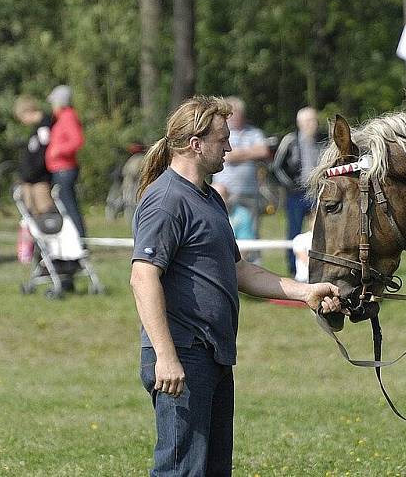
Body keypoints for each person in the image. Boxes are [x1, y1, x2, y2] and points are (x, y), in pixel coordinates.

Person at [130, 96, 340, 476]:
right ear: (196, 144)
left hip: (212, 353)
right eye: (222, 139)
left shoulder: (208, 198)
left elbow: (238, 270)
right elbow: (143, 276)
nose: (230, 146)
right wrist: (166, 356)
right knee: (181, 471)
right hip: (182, 354)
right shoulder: (167, 199)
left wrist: (306, 291)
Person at [209, 96, 269, 260]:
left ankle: (253, 266)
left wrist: (236, 154)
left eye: (237, 114)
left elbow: (263, 151)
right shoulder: (220, 133)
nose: (234, 117)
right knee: (223, 228)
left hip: (249, 192)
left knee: (251, 231)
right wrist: (248, 153)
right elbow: (227, 156)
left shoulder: (254, 132)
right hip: (223, 192)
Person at [271, 106, 325, 275]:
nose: (312, 124)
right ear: (299, 123)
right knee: (294, 231)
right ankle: (293, 269)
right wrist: (291, 186)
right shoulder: (290, 140)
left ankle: (323, 267)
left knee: (323, 230)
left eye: (314, 120)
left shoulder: (325, 139)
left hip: (319, 192)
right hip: (296, 194)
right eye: (308, 121)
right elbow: (277, 167)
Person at [45, 85, 86, 237]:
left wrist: (58, 150)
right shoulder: (61, 118)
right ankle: (73, 238)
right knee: (64, 205)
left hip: (65, 169)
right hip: (59, 169)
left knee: (69, 206)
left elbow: (77, 140)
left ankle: (79, 239)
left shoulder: (68, 116)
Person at [13, 95, 55, 215]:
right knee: (31, 209)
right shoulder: (37, 128)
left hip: (40, 177)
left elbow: (43, 152)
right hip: (32, 177)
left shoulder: (44, 126)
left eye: (22, 117)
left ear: (28, 111)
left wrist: (32, 173)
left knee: (45, 210)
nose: (22, 121)